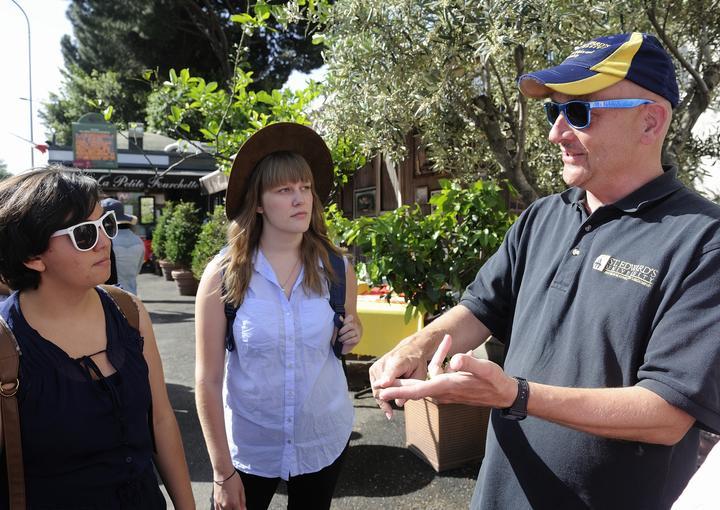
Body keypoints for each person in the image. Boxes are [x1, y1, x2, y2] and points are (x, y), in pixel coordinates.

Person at [370, 32, 720, 509]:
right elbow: (480, 308)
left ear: (650, 121)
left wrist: (514, 395)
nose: (557, 132)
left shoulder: (703, 241)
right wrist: (415, 347)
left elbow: (666, 414)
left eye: (579, 112)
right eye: (553, 110)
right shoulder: (542, 216)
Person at [0, 167, 195, 509]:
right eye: (84, 234)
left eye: (106, 223)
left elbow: (161, 419)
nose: (105, 241)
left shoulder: (129, 310)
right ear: (33, 256)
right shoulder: (5, 343)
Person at [195, 122, 362, 510]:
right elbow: (207, 379)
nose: (300, 199)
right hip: (251, 446)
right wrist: (221, 471)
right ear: (257, 203)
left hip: (322, 436)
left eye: (305, 187)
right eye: (284, 190)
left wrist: (354, 332)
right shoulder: (223, 275)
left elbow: (344, 337)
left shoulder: (337, 269)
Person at [101, 198, 145, 294]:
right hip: (132, 293)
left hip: (110, 295)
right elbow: (138, 269)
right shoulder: (138, 241)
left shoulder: (105, 243)